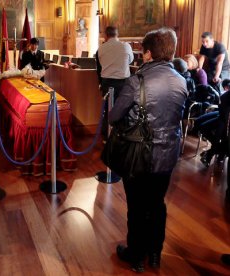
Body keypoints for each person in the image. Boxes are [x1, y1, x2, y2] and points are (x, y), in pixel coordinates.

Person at [109, 28, 187, 272]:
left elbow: (114, 116)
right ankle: (155, 254)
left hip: (139, 155)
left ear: (149, 53)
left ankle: (135, 256)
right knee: (157, 204)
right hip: (168, 155)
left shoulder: (137, 80)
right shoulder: (182, 80)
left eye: (143, 51)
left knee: (137, 206)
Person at [96, 26, 134, 139]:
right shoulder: (126, 46)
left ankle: (106, 136)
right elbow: (130, 60)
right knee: (124, 109)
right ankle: (122, 136)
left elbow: (99, 68)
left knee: (108, 110)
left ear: (106, 36)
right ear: (117, 35)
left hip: (107, 83)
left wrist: (100, 83)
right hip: (124, 84)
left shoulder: (101, 49)